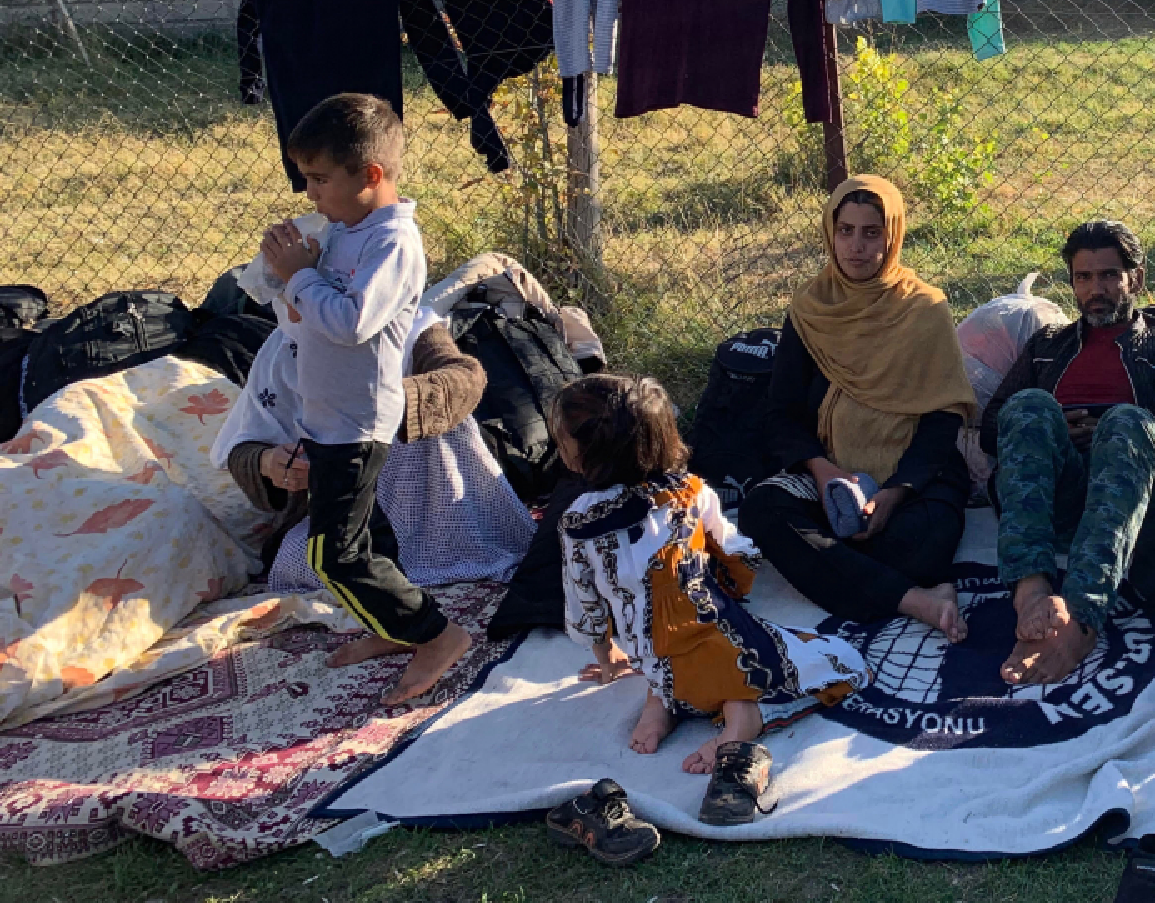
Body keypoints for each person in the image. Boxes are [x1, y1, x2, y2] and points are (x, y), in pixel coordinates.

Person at [554, 374, 868, 826]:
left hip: (649, 651)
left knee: (661, 653)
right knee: (835, 659)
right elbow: (739, 551)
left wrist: (608, 658)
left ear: (584, 451)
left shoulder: (578, 520)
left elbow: (584, 603)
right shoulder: (691, 491)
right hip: (710, 634)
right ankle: (740, 723)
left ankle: (660, 700)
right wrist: (731, 589)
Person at [256, 92, 473, 706]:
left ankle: (436, 634)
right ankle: (394, 624)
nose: (310, 194)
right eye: (307, 179)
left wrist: (302, 274)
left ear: (371, 175)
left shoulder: (394, 245)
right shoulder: (346, 232)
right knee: (369, 536)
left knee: (334, 555)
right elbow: (311, 321)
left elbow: (352, 322)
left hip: (357, 422)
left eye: (320, 179)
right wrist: (289, 273)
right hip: (326, 415)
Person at [981, 219, 1155, 686]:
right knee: (1027, 407)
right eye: (1083, 278)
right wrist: (1056, 428)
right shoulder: (1046, 347)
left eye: (1108, 275)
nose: (1095, 289)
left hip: (1138, 501)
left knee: (1126, 422)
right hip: (1061, 497)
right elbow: (990, 428)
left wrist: (1119, 429)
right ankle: (1031, 589)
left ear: (1135, 278)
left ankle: (1081, 617)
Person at [739, 176, 981, 642]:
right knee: (762, 511)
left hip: (912, 481)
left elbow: (941, 421)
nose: (856, 246)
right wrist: (824, 471)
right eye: (845, 230)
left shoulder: (924, 309)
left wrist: (894, 493)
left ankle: (850, 574)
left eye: (872, 232)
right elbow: (781, 412)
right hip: (828, 476)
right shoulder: (810, 310)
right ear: (830, 233)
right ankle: (919, 599)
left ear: (893, 236)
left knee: (919, 542)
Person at [218, 308, 534, 592]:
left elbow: (463, 377)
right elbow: (242, 446)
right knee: (313, 566)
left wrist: (383, 407)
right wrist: (271, 462)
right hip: (346, 503)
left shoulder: (411, 324)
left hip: (434, 499)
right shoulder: (283, 350)